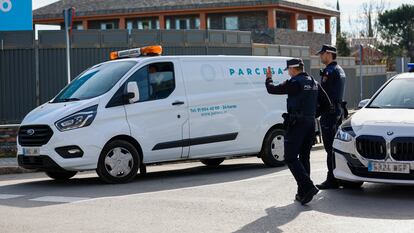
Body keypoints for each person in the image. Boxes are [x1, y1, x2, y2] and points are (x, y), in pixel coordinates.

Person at [265, 58, 331, 205]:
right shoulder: (314, 83)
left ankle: (308, 187)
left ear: (293, 69)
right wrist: (312, 115)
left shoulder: (294, 83)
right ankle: (303, 194)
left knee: (290, 157)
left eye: (288, 70)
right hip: (309, 124)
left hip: (297, 125)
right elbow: (327, 105)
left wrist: (268, 78)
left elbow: (272, 89)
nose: (288, 73)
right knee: (304, 157)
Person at [315, 45, 346, 190]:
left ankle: (332, 179)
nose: (320, 56)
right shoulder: (340, 70)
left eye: (322, 54)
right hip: (338, 110)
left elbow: (323, 95)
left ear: (328, 54)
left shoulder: (329, 71)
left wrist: (316, 111)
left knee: (329, 148)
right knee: (335, 146)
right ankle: (338, 176)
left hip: (329, 112)